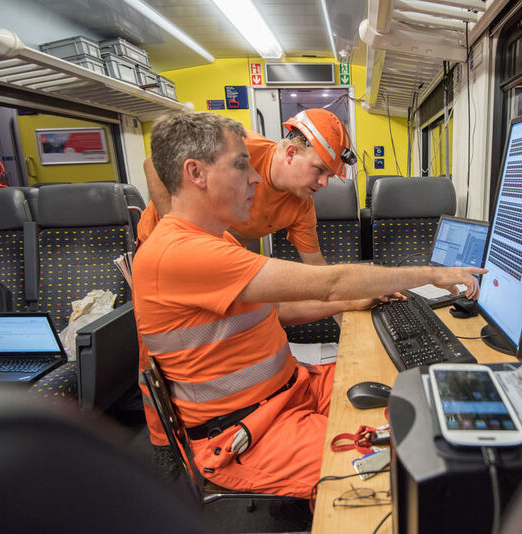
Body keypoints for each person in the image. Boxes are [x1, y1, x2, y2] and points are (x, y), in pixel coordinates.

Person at [132, 111, 485, 498]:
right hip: (248, 430)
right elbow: (329, 283)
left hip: (289, 390)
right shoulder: (182, 253)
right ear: (195, 174)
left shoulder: (220, 242)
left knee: (418, 389)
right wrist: (432, 274)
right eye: (239, 166)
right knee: (412, 463)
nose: (253, 178)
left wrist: (353, 301)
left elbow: (277, 311)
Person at [137, 107, 354, 266]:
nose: (325, 183)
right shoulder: (239, 147)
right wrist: (179, 238)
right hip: (159, 247)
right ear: (291, 154)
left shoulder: (301, 206)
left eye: (329, 175)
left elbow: (315, 264)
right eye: (319, 170)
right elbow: (153, 164)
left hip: (211, 260)